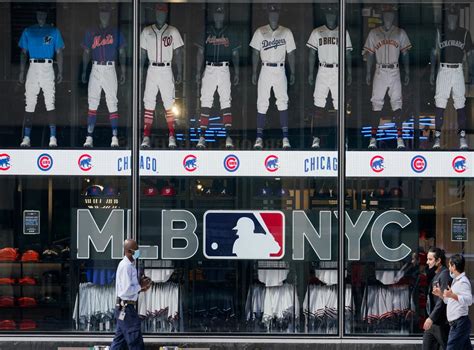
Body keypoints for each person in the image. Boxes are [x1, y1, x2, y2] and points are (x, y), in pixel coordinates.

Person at [110, 239, 151, 350]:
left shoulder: (129, 265)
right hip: (126, 308)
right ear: (129, 251)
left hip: (124, 308)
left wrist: (140, 289)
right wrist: (140, 286)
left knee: (119, 341)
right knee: (135, 341)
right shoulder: (126, 266)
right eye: (136, 249)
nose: (138, 251)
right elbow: (126, 291)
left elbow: (127, 288)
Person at [433, 254, 473, 350]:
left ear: (454, 266)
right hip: (458, 324)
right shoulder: (456, 281)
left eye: (450, 265)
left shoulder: (463, 282)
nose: (449, 268)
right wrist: (441, 295)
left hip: (459, 324)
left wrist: (452, 295)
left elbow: (469, 300)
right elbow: (449, 301)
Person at [423, 248, 452, 350]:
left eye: (430, 259)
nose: (427, 262)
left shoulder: (444, 275)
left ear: (438, 260)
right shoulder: (437, 274)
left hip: (441, 323)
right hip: (433, 323)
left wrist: (431, 318)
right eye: (427, 259)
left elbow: (442, 299)